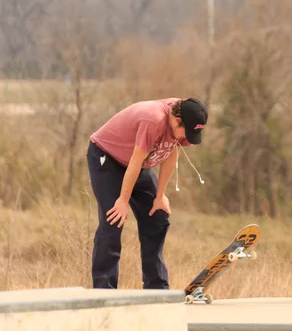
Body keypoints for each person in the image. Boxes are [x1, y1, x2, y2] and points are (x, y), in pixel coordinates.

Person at [86, 97, 208, 289]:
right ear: (177, 121)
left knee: (157, 216)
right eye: (187, 132)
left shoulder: (184, 112)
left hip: (136, 164)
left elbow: (171, 153)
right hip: (106, 158)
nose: (187, 138)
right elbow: (135, 162)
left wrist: (160, 196)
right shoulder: (153, 121)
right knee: (114, 219)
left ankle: (156, 288)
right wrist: (122, 200)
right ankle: (104, 291)